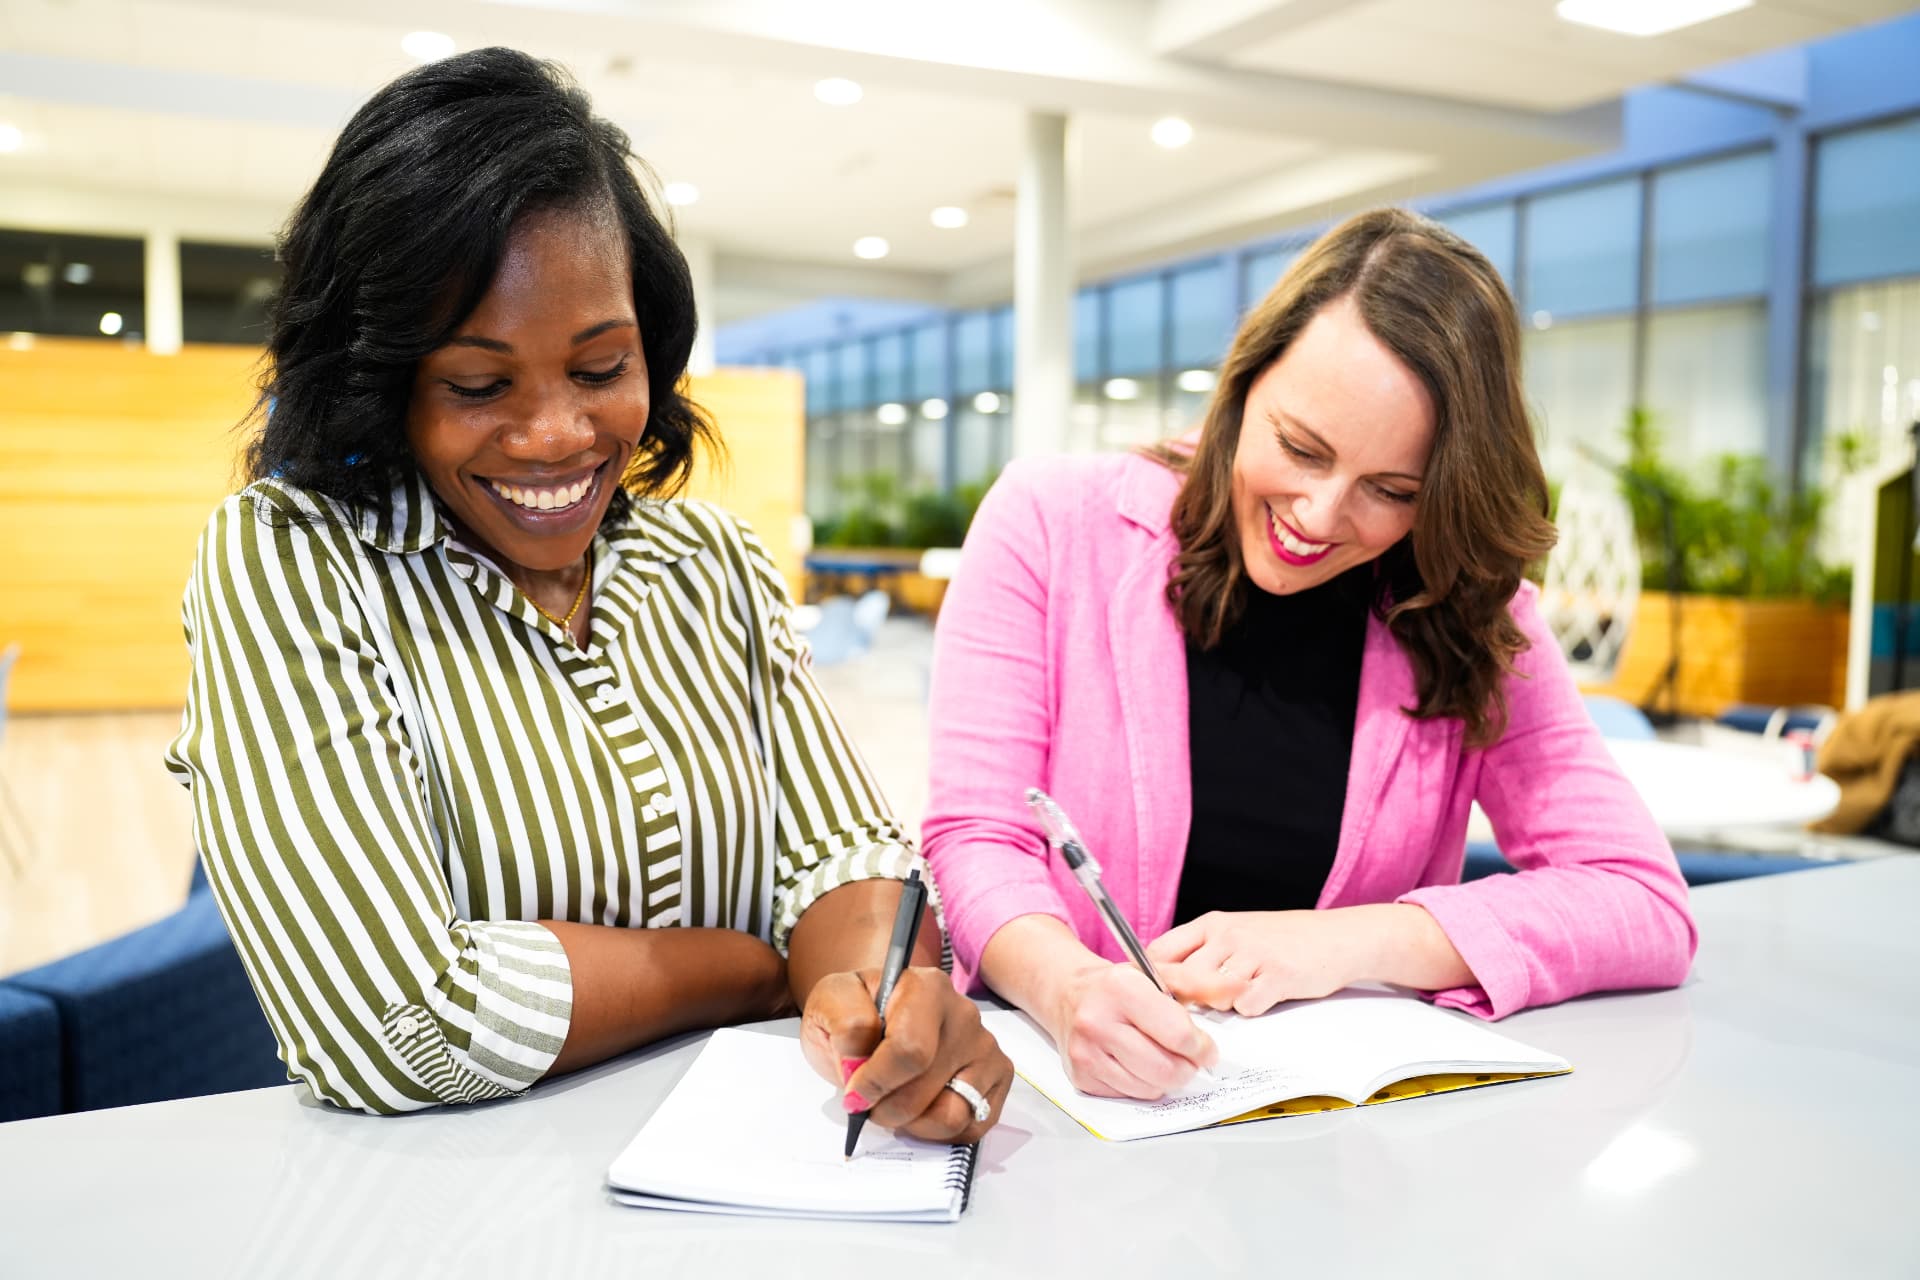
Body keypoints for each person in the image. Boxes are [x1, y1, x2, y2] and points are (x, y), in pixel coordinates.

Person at [164, 47, 1009, 1135]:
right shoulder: (292, 565)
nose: (559, 433)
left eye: (602, 367)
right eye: (479, 384)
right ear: (382, 381)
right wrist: (751, 973)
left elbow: (840, 853)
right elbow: (393, 1023)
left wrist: (880, 997)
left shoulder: (706, 563)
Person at [922, 208, 1697, 1101]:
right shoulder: (1054, 526)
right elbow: (976, 836)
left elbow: (1642, 901)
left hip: (1339, 1146)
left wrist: (1348, 941)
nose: (1321, 518)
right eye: (1300, 448)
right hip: (1085, 1119)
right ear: (1243, 383)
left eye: (1391, 489)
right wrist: (1068, 988)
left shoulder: (1474, 613)